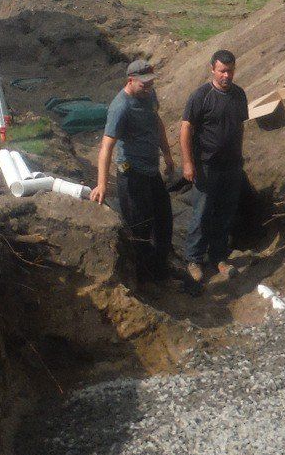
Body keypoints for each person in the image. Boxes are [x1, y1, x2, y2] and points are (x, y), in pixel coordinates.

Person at [91, 58, 178, 283]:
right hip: (132, 175)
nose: (148, 88)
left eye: (150, 83)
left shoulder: (148, 95)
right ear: (131, 81)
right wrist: (102, 184)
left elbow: (156, 122)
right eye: (144, 84)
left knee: (164, 220)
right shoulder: (120, 107)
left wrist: (167, 154)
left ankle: (160, 269)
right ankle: (142, 278)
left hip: (151, 171)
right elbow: (106, 146)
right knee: (140, 228)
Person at [180, 49, 249, 283]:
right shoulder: (201, 96)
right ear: (213, 70)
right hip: (206, 166)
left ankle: (218, 257)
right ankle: (194, 259)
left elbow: (240, 126)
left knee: (225, 212)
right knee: (202, 212)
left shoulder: (239, 95)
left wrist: (239, 156)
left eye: (230, 71)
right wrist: (188, 163)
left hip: (231, 166)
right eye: (222, 71)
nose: (226, 76)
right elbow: (186, 129)